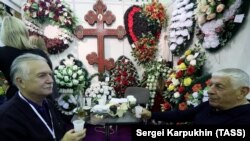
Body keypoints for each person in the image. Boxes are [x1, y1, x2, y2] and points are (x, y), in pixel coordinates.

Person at [0, 53, 86, 141]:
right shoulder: (6, 118)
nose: (51, 80)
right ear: (21, 82)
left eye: (50, 74)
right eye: (42, 75)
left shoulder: (48, 103)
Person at [141, 68, 250, 125]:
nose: (209, 92)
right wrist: (151, 114)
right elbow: (182, 115)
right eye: (210, 85)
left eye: (219, 86)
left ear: (242, 92)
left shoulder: (244, 119)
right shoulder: (211, 105)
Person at [0, 16, 54, 100]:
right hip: (42, 96)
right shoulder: (39, 52)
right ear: (24, 31)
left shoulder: (2, 53)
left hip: (16, 98)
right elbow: (49, 74)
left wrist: (5, 87)